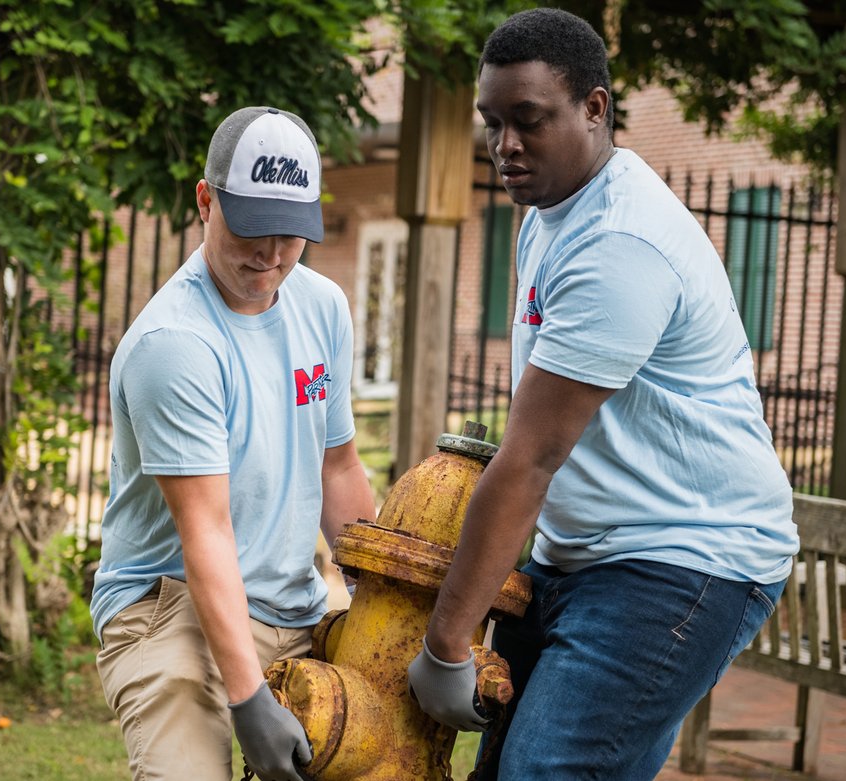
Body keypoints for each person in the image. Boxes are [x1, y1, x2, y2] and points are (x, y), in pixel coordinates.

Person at [407, 8, 800, 779]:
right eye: (493, 124)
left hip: (686, 556)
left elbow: (530, 458)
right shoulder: (549, 214)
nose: (506, 146)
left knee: (546, 770)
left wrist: (446, 643)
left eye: (529, 120)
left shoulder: (620, 242)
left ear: (595, 107)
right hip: (583, 554)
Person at [90, 105, 377, 781]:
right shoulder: (175, 344)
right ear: (205, 200)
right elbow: (207, 532)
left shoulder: (323, 306)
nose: (271, 254)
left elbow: (339, 467)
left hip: (294, 604)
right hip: (170, 607)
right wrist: (249, 699)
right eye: (252, 227)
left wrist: (376, 598)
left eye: (290, 233)